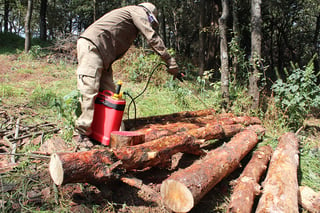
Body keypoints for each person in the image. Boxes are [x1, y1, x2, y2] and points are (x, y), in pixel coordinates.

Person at [75, 2, 179, 144]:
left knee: (111, 98)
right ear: (148, 14)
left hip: (104, 56)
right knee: (90, 90)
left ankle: (106, 134)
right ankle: (82, 135)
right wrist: (170, 61)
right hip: (93, 47)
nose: (150, 24)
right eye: (151, 22)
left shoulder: (131, 17)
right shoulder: (138, 11)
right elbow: (152, 37)